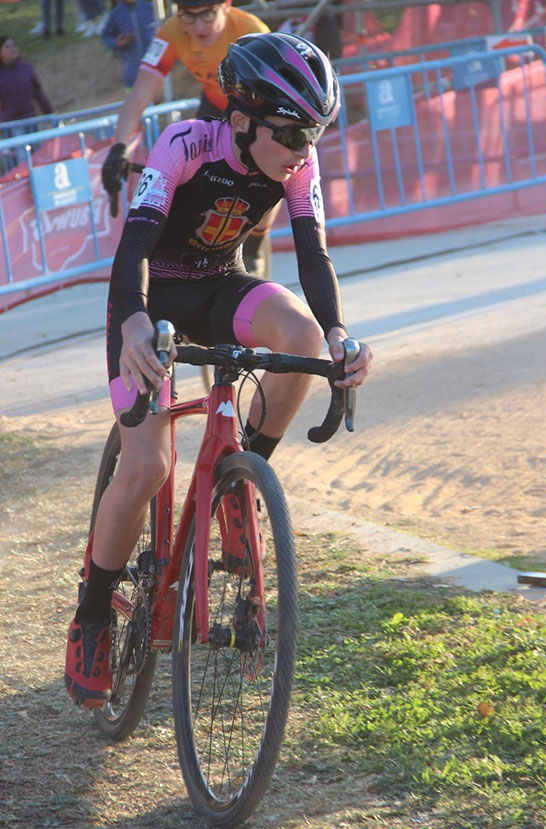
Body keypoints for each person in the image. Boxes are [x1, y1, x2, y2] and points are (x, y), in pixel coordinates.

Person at [65, 31, 373, 708]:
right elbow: (135, 245)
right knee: (148, 467)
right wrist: (135, 322)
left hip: (219, 285)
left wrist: (340, 336)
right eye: (292, 134)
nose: (302, 151)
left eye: (314, 134)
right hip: (149, 296)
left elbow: (313, 255)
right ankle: (89, 614)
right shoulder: (184, 144)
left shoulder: (298, 165)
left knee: (304, 337)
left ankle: (238, 484)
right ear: (240, 120)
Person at [101, 0, 272, 275]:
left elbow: (273, 101)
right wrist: (118, 147)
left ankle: (255, 249)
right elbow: (140, 94)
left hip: (257, 107)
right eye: (187, 17)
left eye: (206, 15)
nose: (197, 26)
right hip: (217, 104)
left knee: (264, 176)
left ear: (226, 6)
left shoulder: (251, 32)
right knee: (195, 182)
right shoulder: (171, 31)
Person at [100, 0, 155, 89]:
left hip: (153, 69)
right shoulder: (115, 14)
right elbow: (105, 37)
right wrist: (116, 42)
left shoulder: (150, 8)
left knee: (156, 98)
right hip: (132, 73)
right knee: (135, 99)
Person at [0, 36, 53, 123]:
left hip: (30, 119)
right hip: (10, 123)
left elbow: (38, 92)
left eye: (13, 45)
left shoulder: (26, 67)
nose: (12, 48)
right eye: (7, 46)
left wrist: (49, 113)